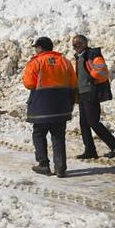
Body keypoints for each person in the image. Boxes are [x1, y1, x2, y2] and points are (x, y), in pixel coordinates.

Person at [22, 37, 77, 178]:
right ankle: (60, 168)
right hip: (61, 106)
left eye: (36, 47)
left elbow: (28, 83)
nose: (35, 50)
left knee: (39, 134)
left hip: (41, 106)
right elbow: (73, 83)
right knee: (58, 136)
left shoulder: (36, 62)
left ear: (40, 48)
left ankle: (43, 164)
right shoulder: (65, 61)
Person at [72, 34, 115, 159]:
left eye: (77, 44)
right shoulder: (80, 57)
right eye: (73, 45)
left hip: (90, 92)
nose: (75, 47)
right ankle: (90, 150)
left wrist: (92, 77)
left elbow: (101, 70)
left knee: (93, 122)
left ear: (84, 43)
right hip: (82, 94)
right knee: (84, 124)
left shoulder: (92, 54)